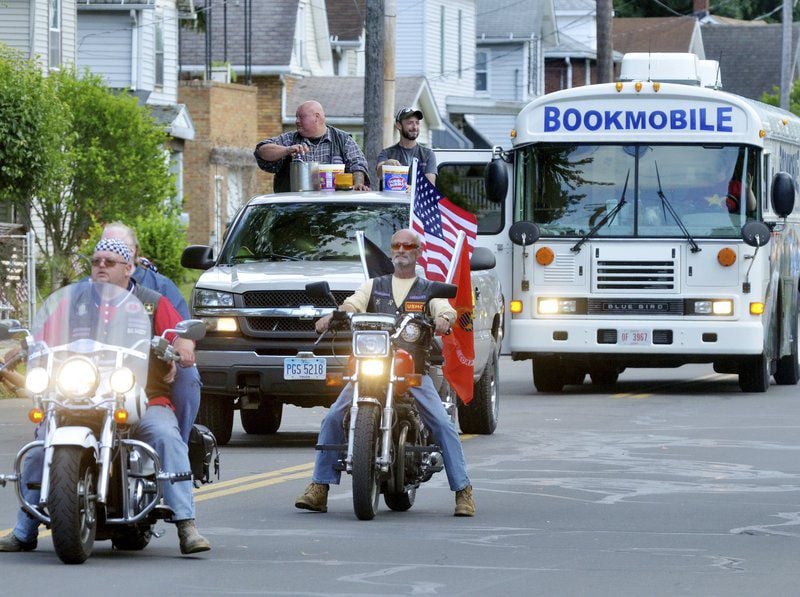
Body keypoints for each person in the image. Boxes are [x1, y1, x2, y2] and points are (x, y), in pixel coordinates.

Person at [0, 238, 211, 554]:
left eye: (109, 262)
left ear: (128, 268)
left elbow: (179, 335)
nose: (100, 266)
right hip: (75, 396)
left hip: (141, 395)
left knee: (165, 436)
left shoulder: (152, 302)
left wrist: (181, 348)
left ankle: (186, 524)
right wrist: (20, 349)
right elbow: (43, 336)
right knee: (41, 443)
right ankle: (24, 529)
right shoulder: (73, 302)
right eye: (96, 260)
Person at [294, 229, 476, 517]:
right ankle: (320, 487)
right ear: (391, 251)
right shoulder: (374, 285)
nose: (401, 250)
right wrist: (334, 315)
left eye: (408, 246)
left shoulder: (428, 288)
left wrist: (444, 318)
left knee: (441, 423)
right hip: (372, 366)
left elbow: (446, 308)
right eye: (396, 245)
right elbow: (352, 303)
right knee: (332, 417)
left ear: (417, 252)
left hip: (411, 370)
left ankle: (462, 490)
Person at [101, 222, 201, 443]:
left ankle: (180, 444)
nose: (104, 263)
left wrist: (181, 350)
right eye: (103, 249)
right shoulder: (83, 294)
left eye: (119, 248)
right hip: (93, 381)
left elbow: (182, 330)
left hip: (148, 378)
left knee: (187, 374)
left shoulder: (158, 290)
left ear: (134, 252)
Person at [254, 100, 370, 192]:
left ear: (317, 117)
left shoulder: (342, 140)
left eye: (301, 117)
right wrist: (287, 150)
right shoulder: (290, 139)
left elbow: (358, 165)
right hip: (293, 210)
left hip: (334, 210)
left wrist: (358, 183)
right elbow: (261, 151)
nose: (296, 121)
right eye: (296, 117)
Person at [376, 107, 437, 187]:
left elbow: (430, 186)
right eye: (410, 123)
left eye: (417, 123)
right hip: (392, 199)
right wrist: (386, 165)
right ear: (399, 125)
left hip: (417, 199)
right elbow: (379, 174)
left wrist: (413, 190)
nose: (415, 127)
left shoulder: (428, 154)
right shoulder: (387, 153)